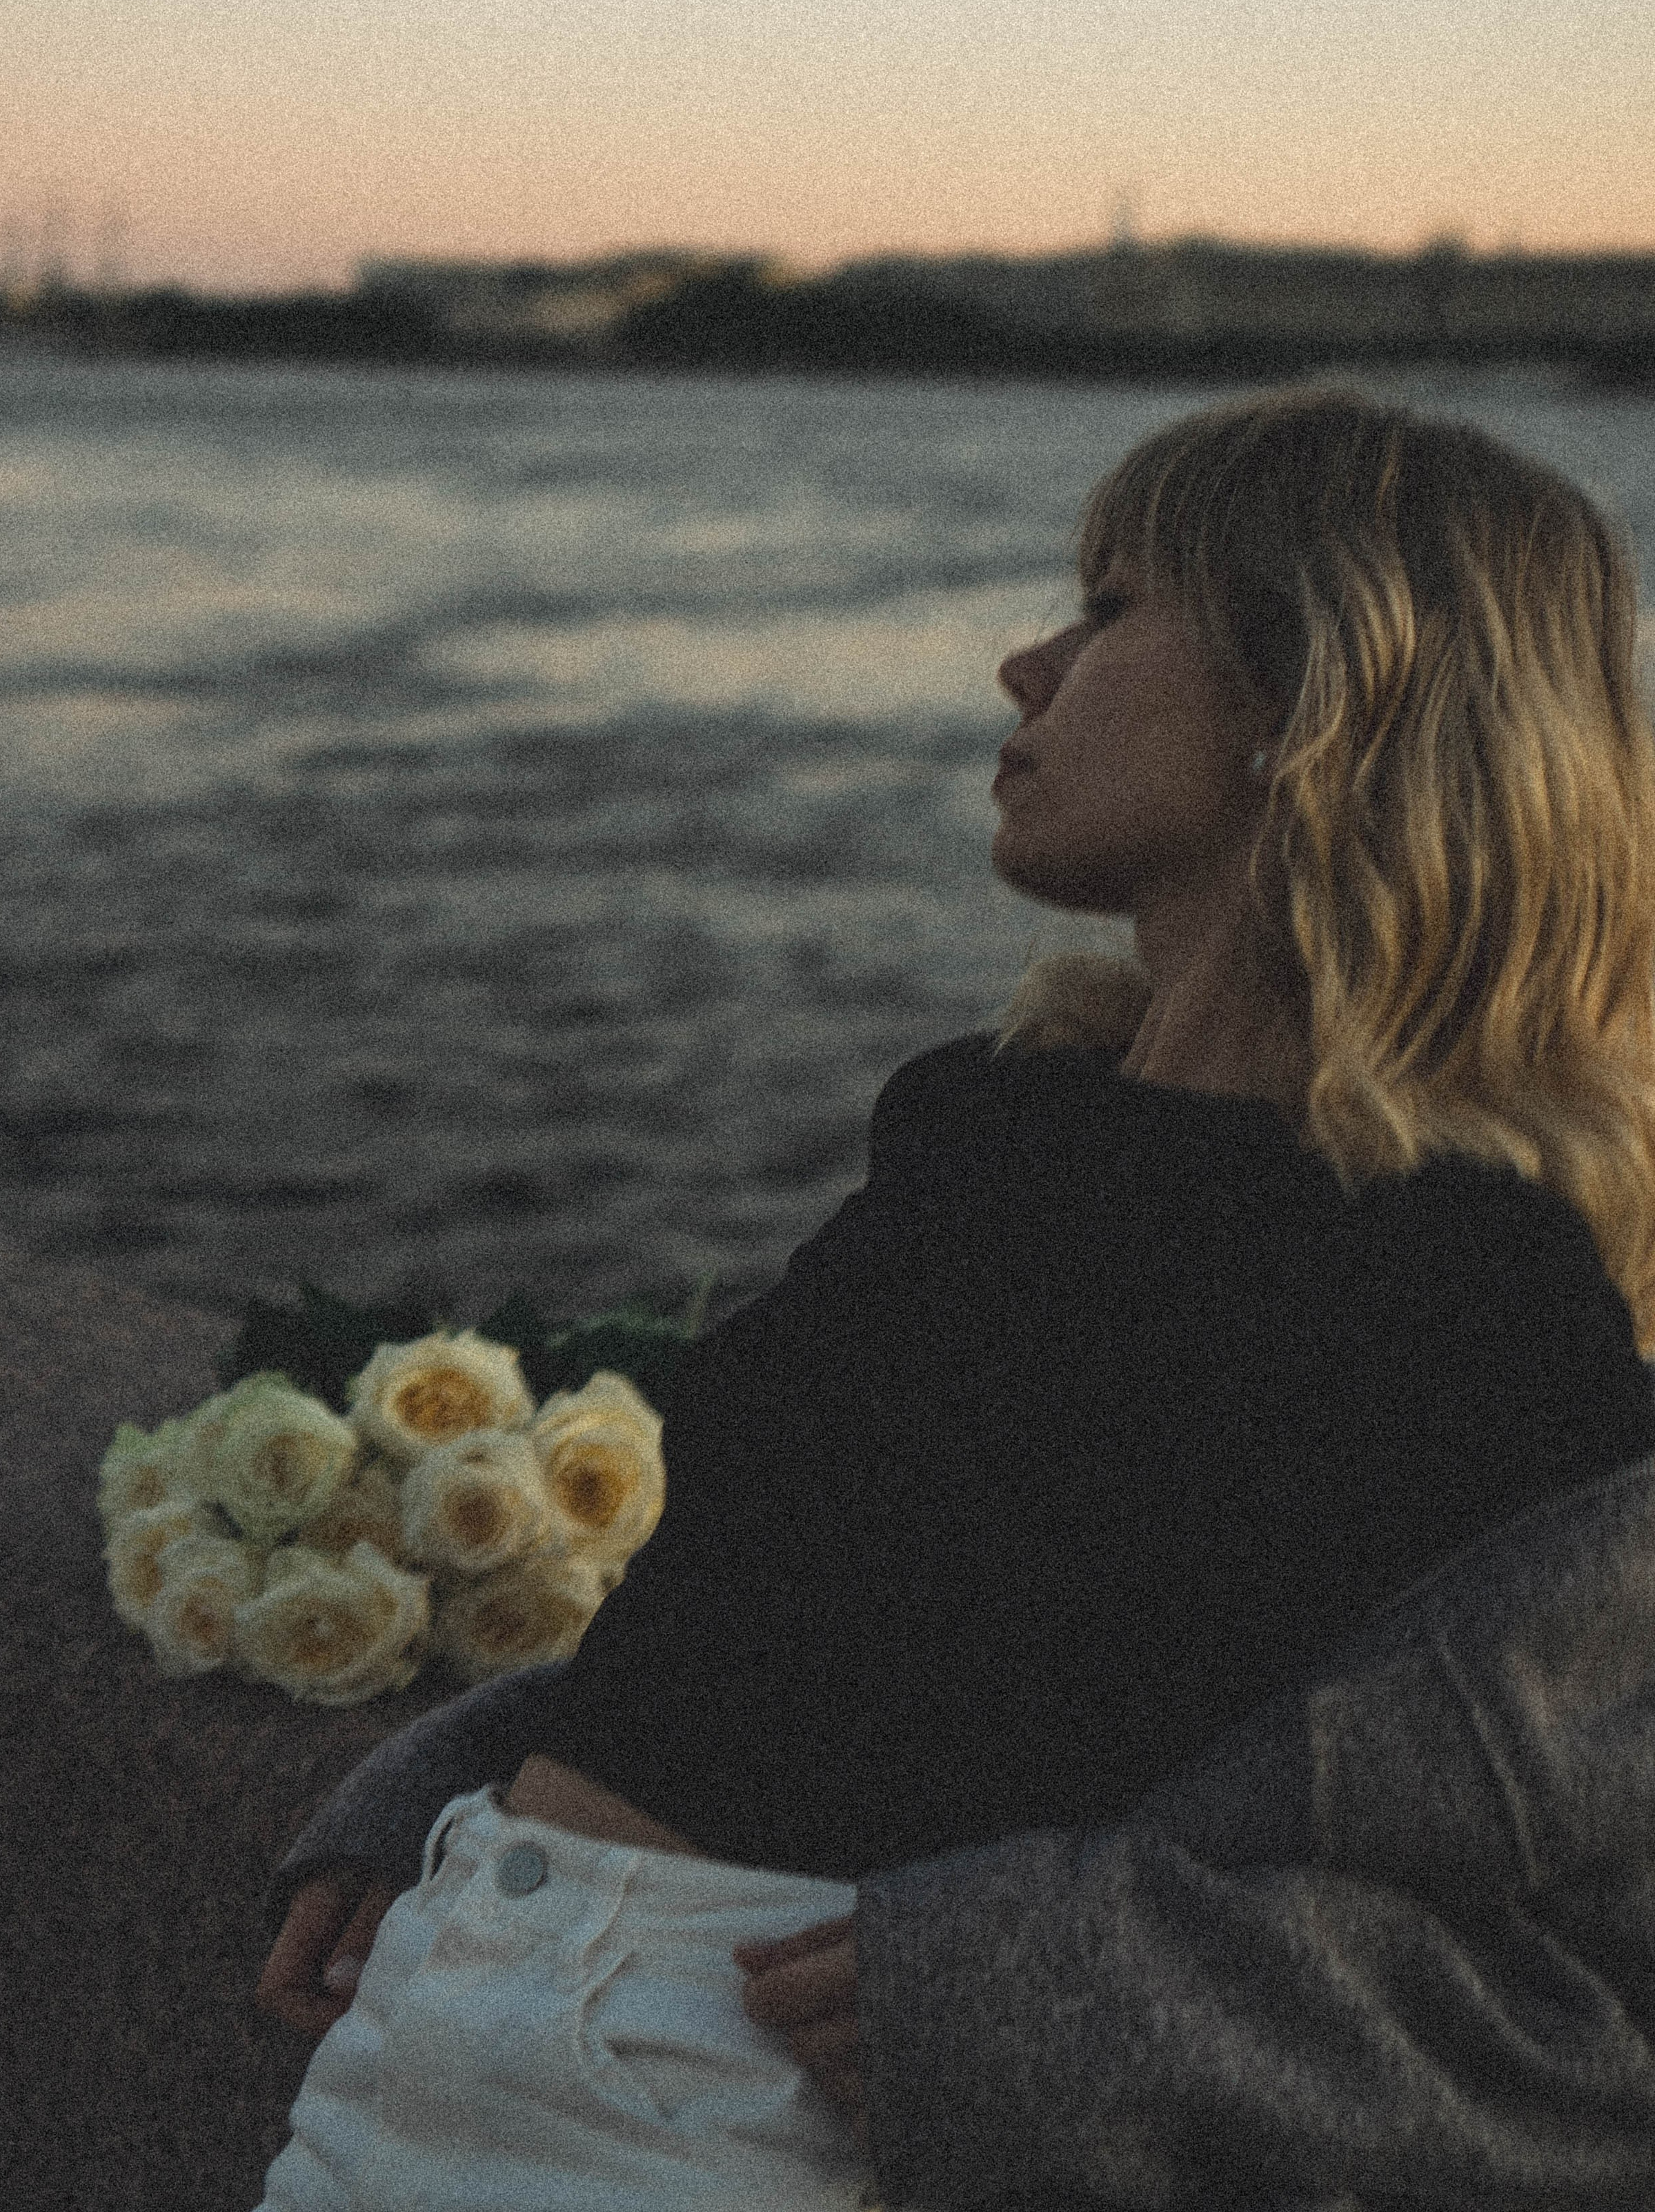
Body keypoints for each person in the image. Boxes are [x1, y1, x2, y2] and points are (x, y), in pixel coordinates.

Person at [255, 388, 1655, 2209]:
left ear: (1322, 695)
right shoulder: (992, 1120)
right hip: (434, 2020)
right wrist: (474, 1768)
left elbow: (1584, 1983)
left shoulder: (1471, 1290)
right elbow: (821, 1614)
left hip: (754, 2123)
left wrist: (1065, 1990)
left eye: (1110, 608)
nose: (1025, 666)